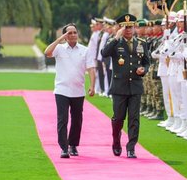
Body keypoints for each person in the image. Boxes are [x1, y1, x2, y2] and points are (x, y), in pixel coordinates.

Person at [101, 13, 150, 158]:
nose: (128, 30)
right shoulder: (115, 42)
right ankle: (116, 141)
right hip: (119, 86)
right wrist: (116, 37)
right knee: (118, 117)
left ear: (134, 27)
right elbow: (104, 53)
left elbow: (147, 62)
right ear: (120, 28)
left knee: (134, 118)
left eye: (130, 27)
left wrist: (144, 70)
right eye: (125, 27)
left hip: (135, 85)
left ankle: (131, 147)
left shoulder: (141, 43)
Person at [44, 23, 96, 158]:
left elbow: (91, 68)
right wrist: (58, 40)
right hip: (62, 90)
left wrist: (92, 85)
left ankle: (73, 145)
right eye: (69, 33)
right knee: (63, 119)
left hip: (78, 91)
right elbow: (47, 52)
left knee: (77, 119)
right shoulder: (59, 48)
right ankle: (64, 147)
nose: (73, 35)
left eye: (74, 32)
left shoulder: (85, 50)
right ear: (65, 36)